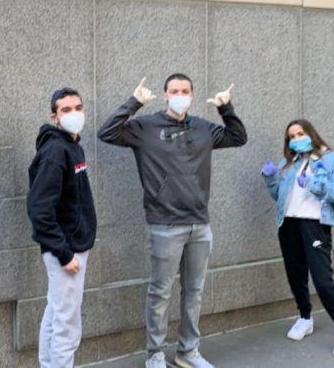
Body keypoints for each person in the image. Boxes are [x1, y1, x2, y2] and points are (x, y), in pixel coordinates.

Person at [98, 74, 246, 368]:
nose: (180, 95)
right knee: (160, 292)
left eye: (185, 91)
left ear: (192, 95)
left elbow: (238, 137)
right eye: (174, 91)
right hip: (164, 225)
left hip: (200, 225)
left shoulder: (203, 129)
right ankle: (155, 354)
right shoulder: (145, 128)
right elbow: (107, 132)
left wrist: (226, 109)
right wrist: (134, 102)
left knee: (194, 292)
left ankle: (188, 352)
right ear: (164, 95)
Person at [261, 119, 334, 359]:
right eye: (291, 137)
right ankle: (305, 317)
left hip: (314, 225)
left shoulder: (330, 159)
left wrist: (315, 184)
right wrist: (271, 179)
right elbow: (279, 196)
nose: (295, 139)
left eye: (300, 133)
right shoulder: (289, 162)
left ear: (311, 134)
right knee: (295, 275)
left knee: (323, 280)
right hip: (289, 224)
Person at [27, 88, 97, 368]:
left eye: (77, 107)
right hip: (66, 251)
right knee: (68, 327)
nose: (74, 114)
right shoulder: (56, 151)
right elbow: (39, 209)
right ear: (54, 116)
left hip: (72, 245)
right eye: (66, 110)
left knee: (56, 315)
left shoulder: (72, 145)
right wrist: (64, 252)